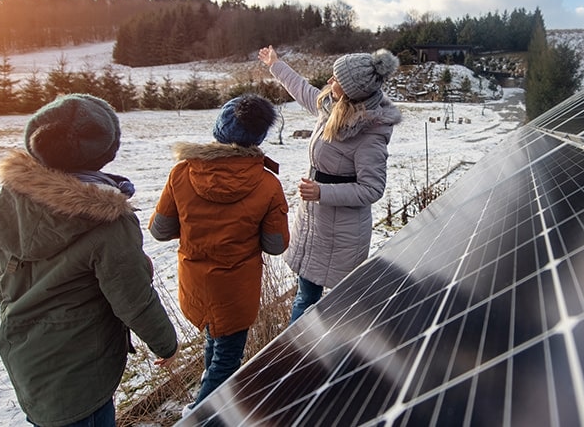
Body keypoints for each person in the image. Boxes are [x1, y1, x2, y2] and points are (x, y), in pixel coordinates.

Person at [0, 93, 178, 427]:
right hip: (80, 370)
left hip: (25, 352)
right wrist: (165, 344)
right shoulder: (108, 221)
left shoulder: (15, 197)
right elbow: (133, 298)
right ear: (105, 152)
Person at [149, 94, 290, 412]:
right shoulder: (268, 184)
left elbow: (159, 230)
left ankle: (201, 401)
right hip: (237, 289)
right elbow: (276, 245)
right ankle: (200, 415)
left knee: (214, 342)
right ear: (258, 137)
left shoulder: (182, 173)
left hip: (195, 283)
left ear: (220, 129)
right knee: (227, 358)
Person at [258, 45, 402, 323]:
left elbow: (372, 189)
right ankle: (297, 357)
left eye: (335, 80)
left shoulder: (371, 134)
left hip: (343, 232)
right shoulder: (331, 107)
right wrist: (275, 64)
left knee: (343, 305)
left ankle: (308, 357)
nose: (328, 82)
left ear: (350, 91)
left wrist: (322, 191)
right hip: (314, 223)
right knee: (305, 296)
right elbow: (302, 89)